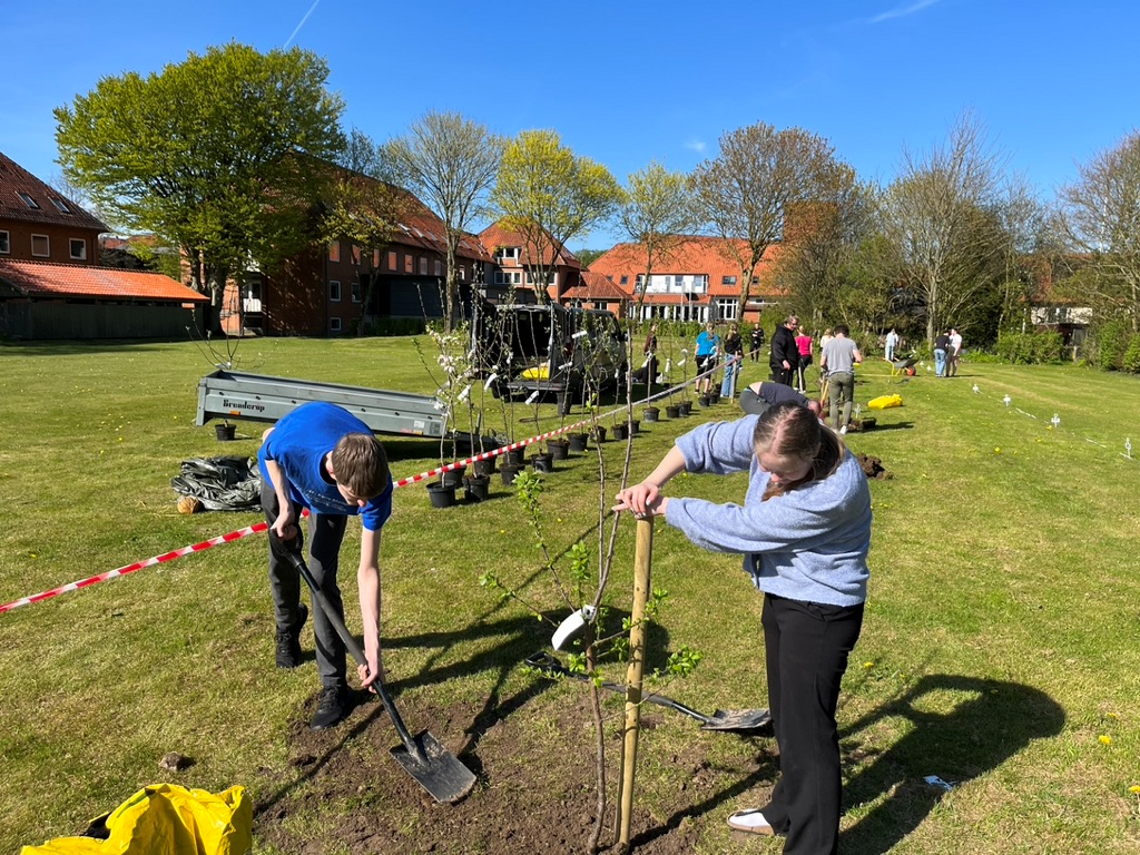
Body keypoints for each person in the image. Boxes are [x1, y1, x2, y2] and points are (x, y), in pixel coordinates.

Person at [613, 403, 872, 854]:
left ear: (811, 456)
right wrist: (656, 479)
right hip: (786, 596)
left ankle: (811, 847)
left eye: (783, 474)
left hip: (821, 611)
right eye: (765, 468)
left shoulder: (834, 490)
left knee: (809, 733)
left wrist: (670, 508)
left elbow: (745, 528)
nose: (771, 480)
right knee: (789, 720)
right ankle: (786, 811)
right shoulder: (774, 434)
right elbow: (704, 442)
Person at [258, 402, 394, 730]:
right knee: (282, 564)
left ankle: (334, 685)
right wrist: (287, 505)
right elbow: (269, 444)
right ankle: (287, 627)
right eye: (356, 498)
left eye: (367, 499)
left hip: (326, 502)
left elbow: (368, 570)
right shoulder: (294, 446)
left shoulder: (375, 488)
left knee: (320, 577)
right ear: (334, 471)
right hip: (285, 482)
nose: (364, 506)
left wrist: (373, 648)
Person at [819, 324, 863, 435]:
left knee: (834, 402)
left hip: (833, 374)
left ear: (835, 333)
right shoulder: (851, 342)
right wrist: (852, 361)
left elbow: (822, 363)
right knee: (848, 400)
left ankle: (834, 427)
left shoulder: (828, 344)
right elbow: (859, 359)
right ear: (846, 333)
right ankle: (844, 426)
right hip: (847, 374)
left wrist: (827, 369)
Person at [739, 380, 823, 420]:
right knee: (769, 421)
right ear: (810, 409)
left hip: (759, 395)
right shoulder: (797, 404)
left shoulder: (802, 400)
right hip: (750, 394)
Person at [769, 315, 799, 388]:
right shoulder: (781, 333)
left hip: (789, 367)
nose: (795, 326)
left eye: (796, 324)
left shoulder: (788, 333)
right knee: (781, 389)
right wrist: (783, 360)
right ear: (787, 323)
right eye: (793, 324)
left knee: (787, 389)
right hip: (782, 367)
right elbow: (777, 347)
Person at [695, 321, 721, 395]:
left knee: (699, 372)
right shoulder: (716, 337)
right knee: (708, 373)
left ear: (706, 327)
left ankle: (697, 389)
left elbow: (697, 346)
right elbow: (717, 349)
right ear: (713, 328)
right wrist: (717, 357)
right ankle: (705, 391)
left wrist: (695, 355)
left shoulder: (701, 335)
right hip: (710, 356)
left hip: (700, 355)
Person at [720, 322, 745, 398]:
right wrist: (741, 354)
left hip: (728, 355)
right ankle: (731, 392)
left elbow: (726, 346)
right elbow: (739, 347)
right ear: (737, 328)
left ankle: (724, 392)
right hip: (735, 356)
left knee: (727, 374)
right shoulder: (737, 337)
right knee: (734, 374)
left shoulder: (727, 336)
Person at [794, 326, 813, 393]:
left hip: (801, 355)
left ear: (798, 331)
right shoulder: (809, 338)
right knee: (800, 371)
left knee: (800, 372)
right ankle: (797, 385)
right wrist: (811, 358)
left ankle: (803, 387)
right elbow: (811, 349)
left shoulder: (797, 338)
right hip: (807, 356)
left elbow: (795, 348)